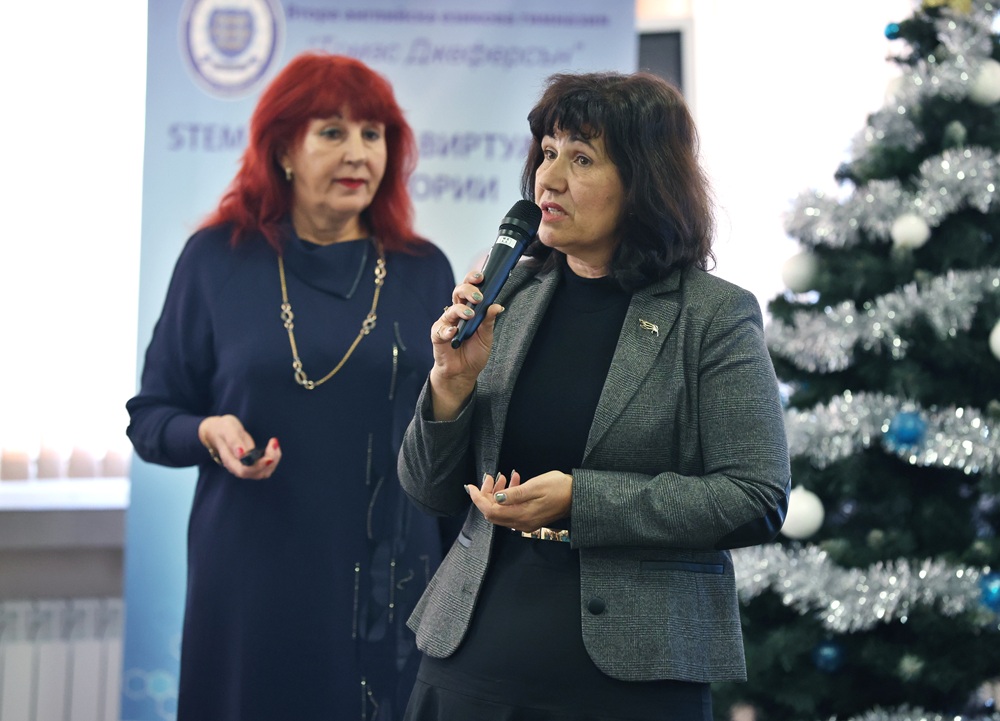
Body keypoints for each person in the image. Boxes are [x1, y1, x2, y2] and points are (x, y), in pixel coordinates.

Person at [397, 71, 792, 721]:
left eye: (581, 159)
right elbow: (428, 489)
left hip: (632, 678)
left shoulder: (711, 315)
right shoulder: (508, 294)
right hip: (473, 656)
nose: (548, 180)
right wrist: (451, 383)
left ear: (645, 182)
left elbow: (756, 495)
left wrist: (582, 499)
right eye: (548, 153)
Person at [126, 52, 456, 721]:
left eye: (372, 133)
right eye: (332, 132)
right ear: (282, 150)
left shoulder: (423, 270)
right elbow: (152, 416)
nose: (358, 152)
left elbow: (450, 429)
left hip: (393, 579)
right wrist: (208, 432)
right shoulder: (217, 259)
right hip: (255, 575)